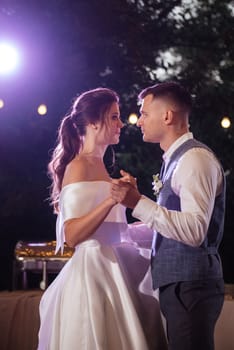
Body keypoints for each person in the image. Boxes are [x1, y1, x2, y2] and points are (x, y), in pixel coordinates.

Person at [37, 87, 167, 350]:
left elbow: (113, 229)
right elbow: (72, 235)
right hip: (93, 274)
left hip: (116, 265)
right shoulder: (78, 166)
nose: (121, 124)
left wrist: (146, 214)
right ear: (94, 122)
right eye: (114, 117)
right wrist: (112, 198)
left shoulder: (100, 166)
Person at [111, 81, 226, 350]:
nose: (139, 121)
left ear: (167, 116)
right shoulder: (176, 159)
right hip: (180, 283)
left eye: (145, 113)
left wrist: (138, 202)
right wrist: (120, 232)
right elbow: (171, 224)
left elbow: (195, 230)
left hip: (191, 284)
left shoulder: (195, 159)